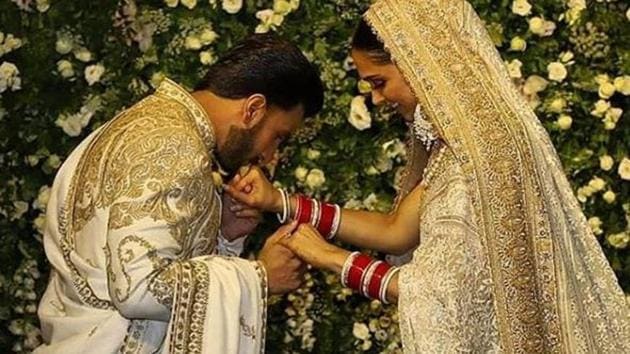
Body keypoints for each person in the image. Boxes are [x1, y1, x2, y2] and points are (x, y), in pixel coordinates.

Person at [225, 1, 630, 352]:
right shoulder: (467, 147)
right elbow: (395, 230)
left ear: (420, 61)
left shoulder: (483, 153)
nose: (378, 99)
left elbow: (438, 296)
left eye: (380, 83)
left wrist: (330, 258)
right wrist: (278, 202)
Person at [35, 34, 323, 354]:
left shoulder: (150, 122)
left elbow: (144, 266)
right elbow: (138, 289)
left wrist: (225, 235)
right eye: (278, 137)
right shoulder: (174, 145)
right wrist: (259, 277)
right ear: (253, 109)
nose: (271, 156)